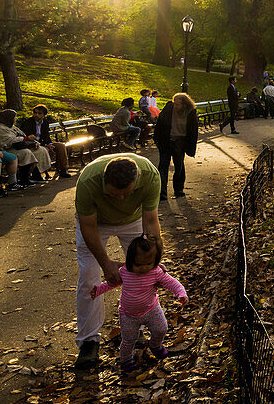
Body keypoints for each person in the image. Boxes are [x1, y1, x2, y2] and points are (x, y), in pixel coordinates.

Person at [73, 154, 162, 370]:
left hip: (132, 220)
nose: (120, 199)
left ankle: (136, 327)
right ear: (105, 182)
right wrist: (106, 264)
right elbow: (88, 227)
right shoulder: (88, 181)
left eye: (126, 193)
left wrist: (155, 263)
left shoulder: (150, 175)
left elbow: (150, 221)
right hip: (97, 224)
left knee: (142, 273)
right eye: (114, 194)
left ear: (137, 179)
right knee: (89, 278)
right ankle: (88, 341)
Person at [91, 234, 187, 373]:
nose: (143, 268)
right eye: (138, 264)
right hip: (128, 315)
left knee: (161, 329)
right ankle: (126, 360)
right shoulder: (125, 272)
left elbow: (171, 282)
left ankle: (155, 345)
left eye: (148, 264)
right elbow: (112, 283)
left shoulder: (155, 272)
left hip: (152, 310)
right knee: (129, 340)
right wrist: (99, 290)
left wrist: (181, 294)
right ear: (130, 261)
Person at [152, 93, 198, 200]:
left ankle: (178, 189)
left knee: (179, 165)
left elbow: (193, 131)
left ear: (185, 105)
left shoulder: (190, 112)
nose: (175, 106)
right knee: (163, 166)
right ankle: (162, 192)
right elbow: (160, 124)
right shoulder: (169, 109)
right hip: (166, 141)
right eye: (175, 103)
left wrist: (190, 147)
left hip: (180, 142)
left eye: (178, 104)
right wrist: (157, 139)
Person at [19, 104, 71, 178]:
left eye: (39, 113)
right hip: (33, 144)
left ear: (43, 115)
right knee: (45, 150)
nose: (36, 115)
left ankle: (63, 169)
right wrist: (46, 145)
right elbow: (28, 137)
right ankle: (38, 172)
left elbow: (46, 135)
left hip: (43, 143)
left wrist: (49, 143)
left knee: (61, 146)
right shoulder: (28, 122)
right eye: (35, 113)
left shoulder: (45, 123)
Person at [0, 108, 50, 184]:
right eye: (14, 117)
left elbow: (23, 135)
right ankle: (24, 178)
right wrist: (26, 139)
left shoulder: (12, 126)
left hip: (18, 146)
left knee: (40, 150)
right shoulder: (0, 128)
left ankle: (37, 174)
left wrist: (34, 143)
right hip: (7, 149)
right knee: (25, 153)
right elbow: (8, 141)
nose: (16, 118)